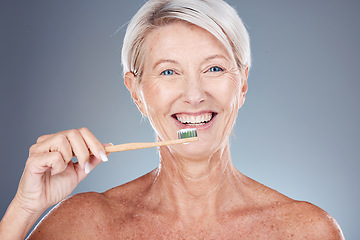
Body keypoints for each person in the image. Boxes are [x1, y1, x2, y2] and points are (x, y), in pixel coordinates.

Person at [0, 0, 344, 239]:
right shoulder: (82, 226)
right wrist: (24, 209)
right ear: (137, 92)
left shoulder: (307, 231)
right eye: (168, 71)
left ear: (242, 84)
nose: (194, 95)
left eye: (214, 68)